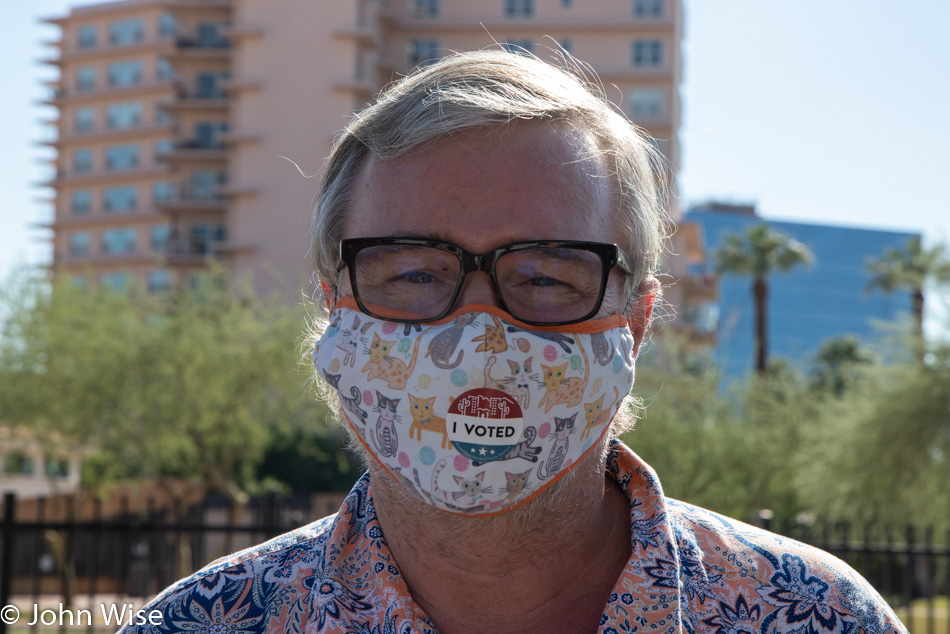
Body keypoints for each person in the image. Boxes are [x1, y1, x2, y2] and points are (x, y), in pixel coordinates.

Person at [119, 51, 906, 634]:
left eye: (546, 276)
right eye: (415, 273)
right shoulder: (201, 623)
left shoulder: (818, 616)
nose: (480, 335)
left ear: (634, 322)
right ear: (336, 308)